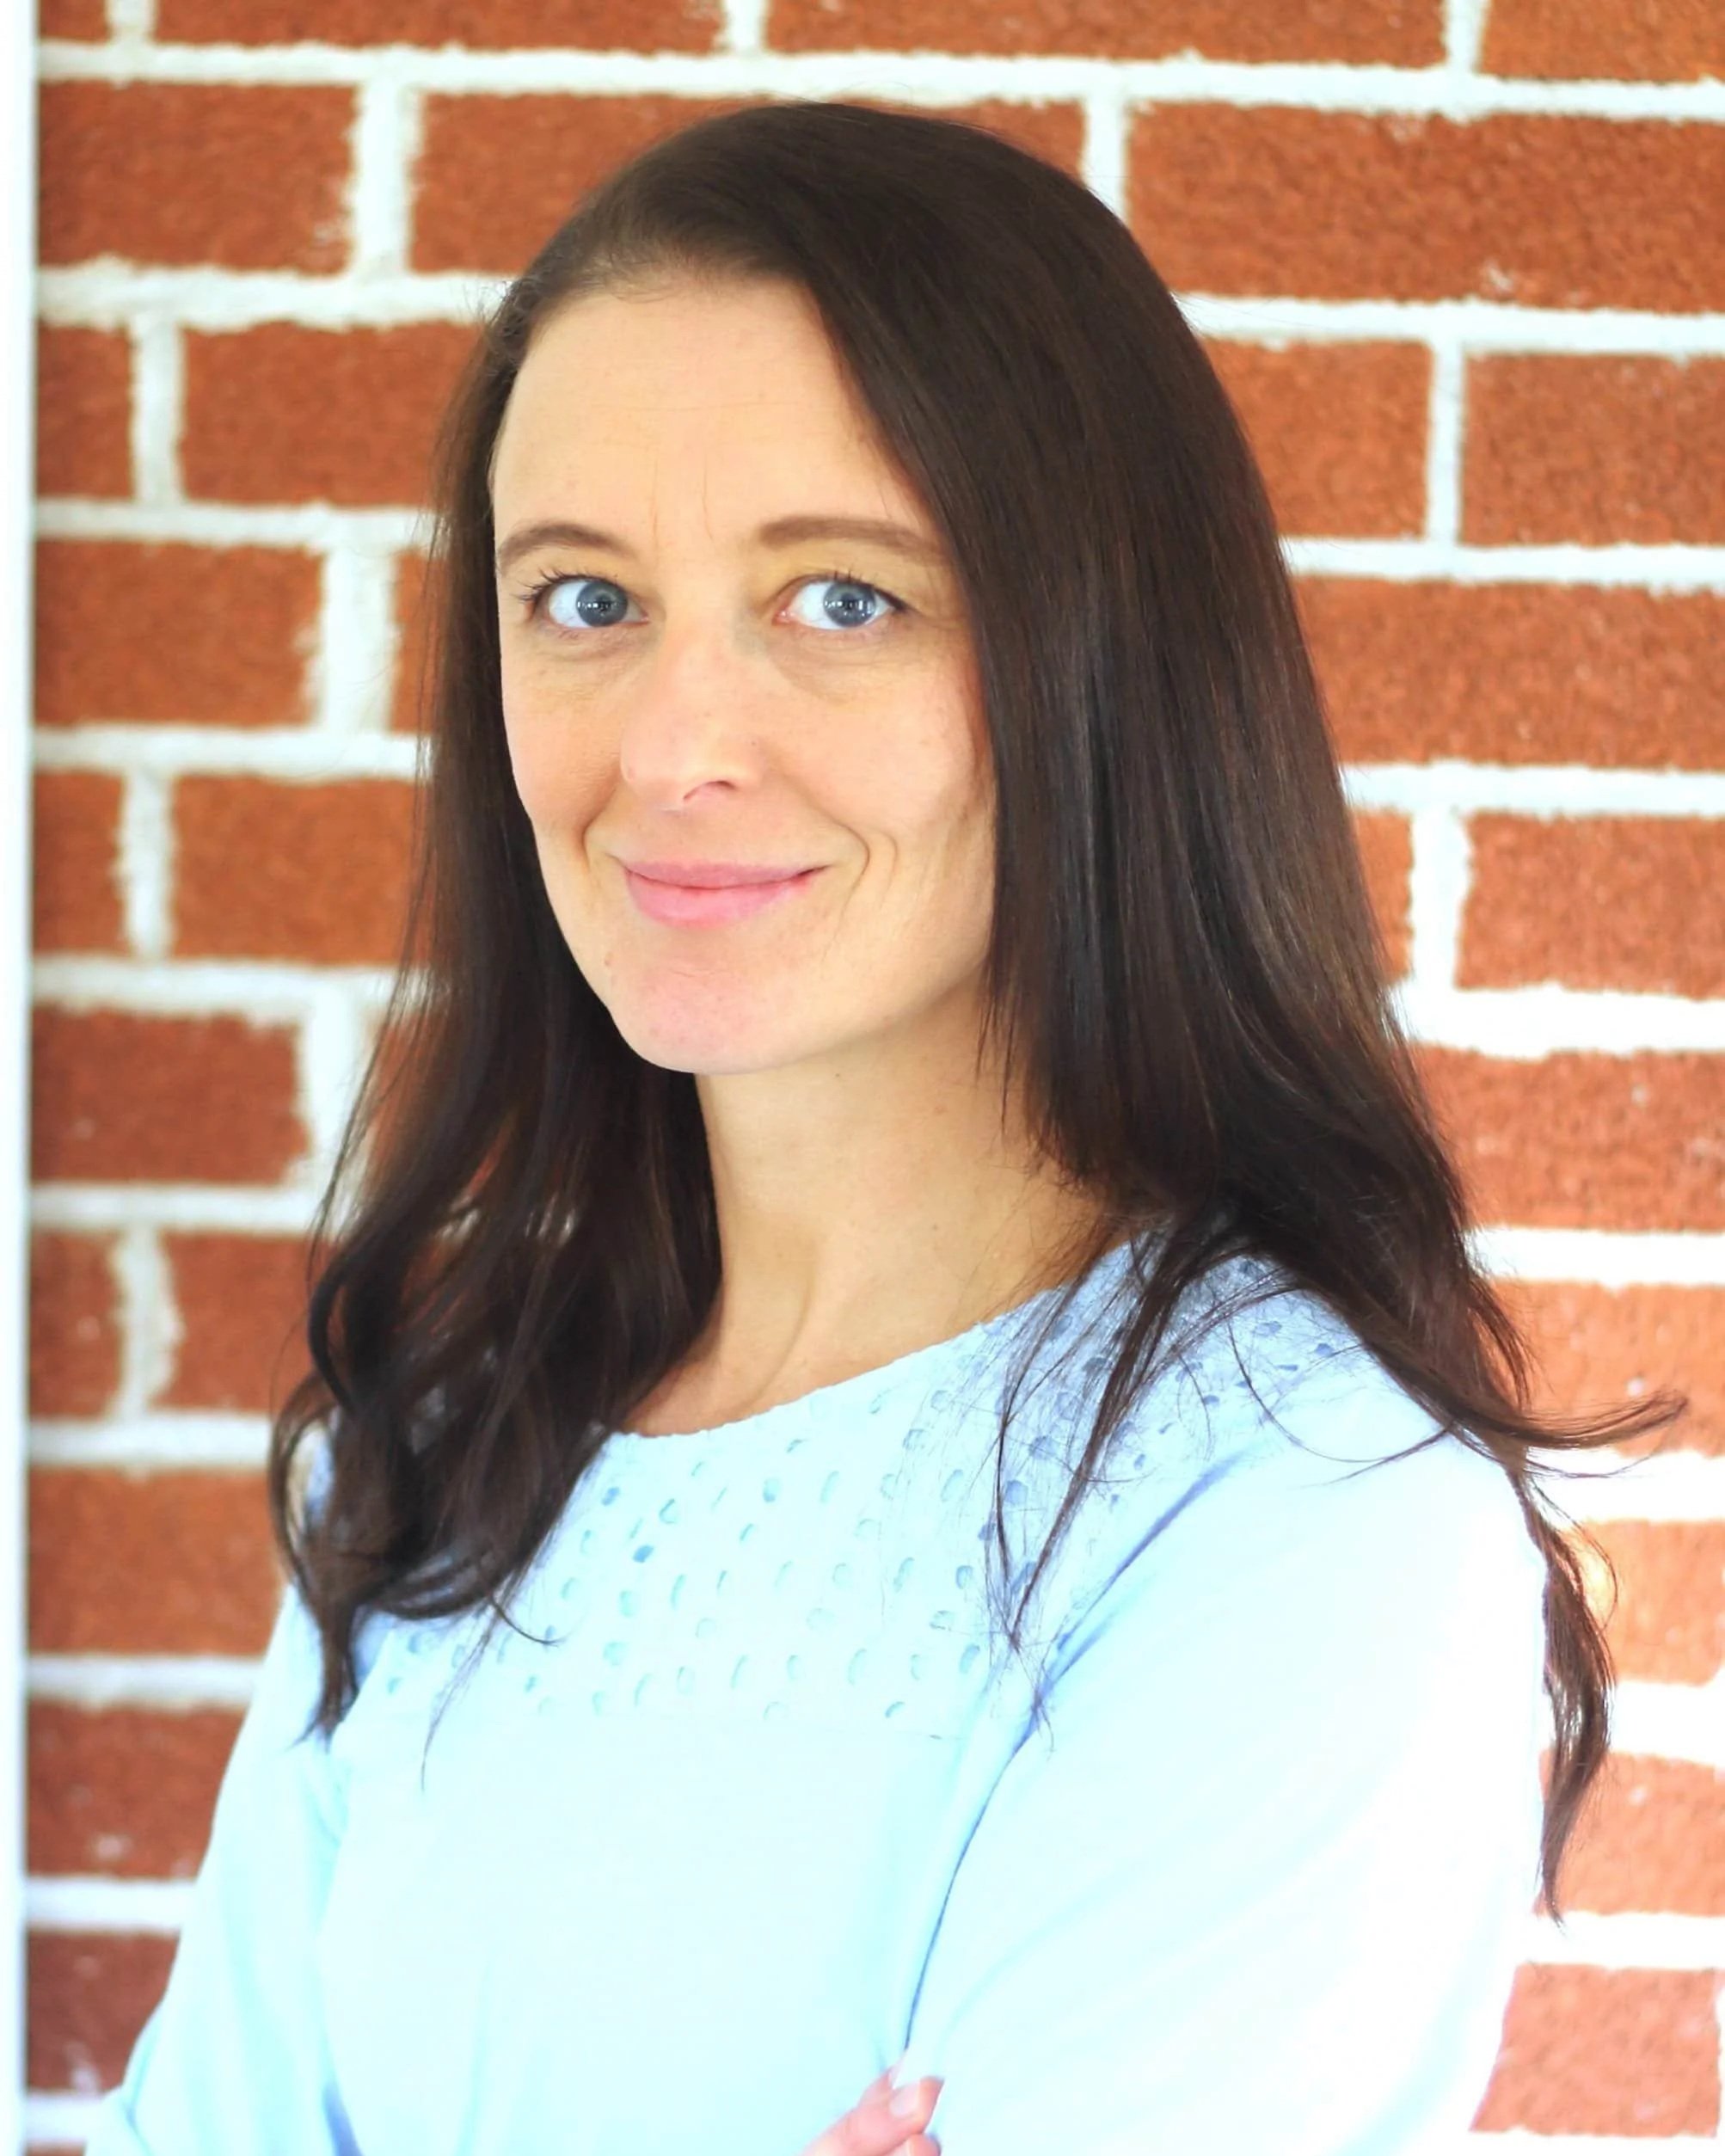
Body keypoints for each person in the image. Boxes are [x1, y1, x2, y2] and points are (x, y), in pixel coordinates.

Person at [83, 99, 1681, 2156]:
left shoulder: (1297, 1511)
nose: (673, 746)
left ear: (1103, 668)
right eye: (583, 601)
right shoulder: (461, 1428)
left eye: (841, 600)